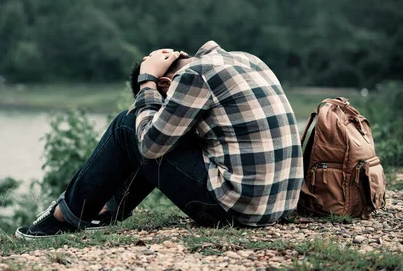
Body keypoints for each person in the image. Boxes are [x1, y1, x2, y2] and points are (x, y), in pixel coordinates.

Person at [16, 41, 304, 239]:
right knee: (162, 131)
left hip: (237, 210)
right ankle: (107, 211)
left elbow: (150, 145)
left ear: (166, 84)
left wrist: (147, 82)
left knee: (128, 126)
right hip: (281, 204)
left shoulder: (193, 76)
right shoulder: (245, 58)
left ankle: (64, 217)